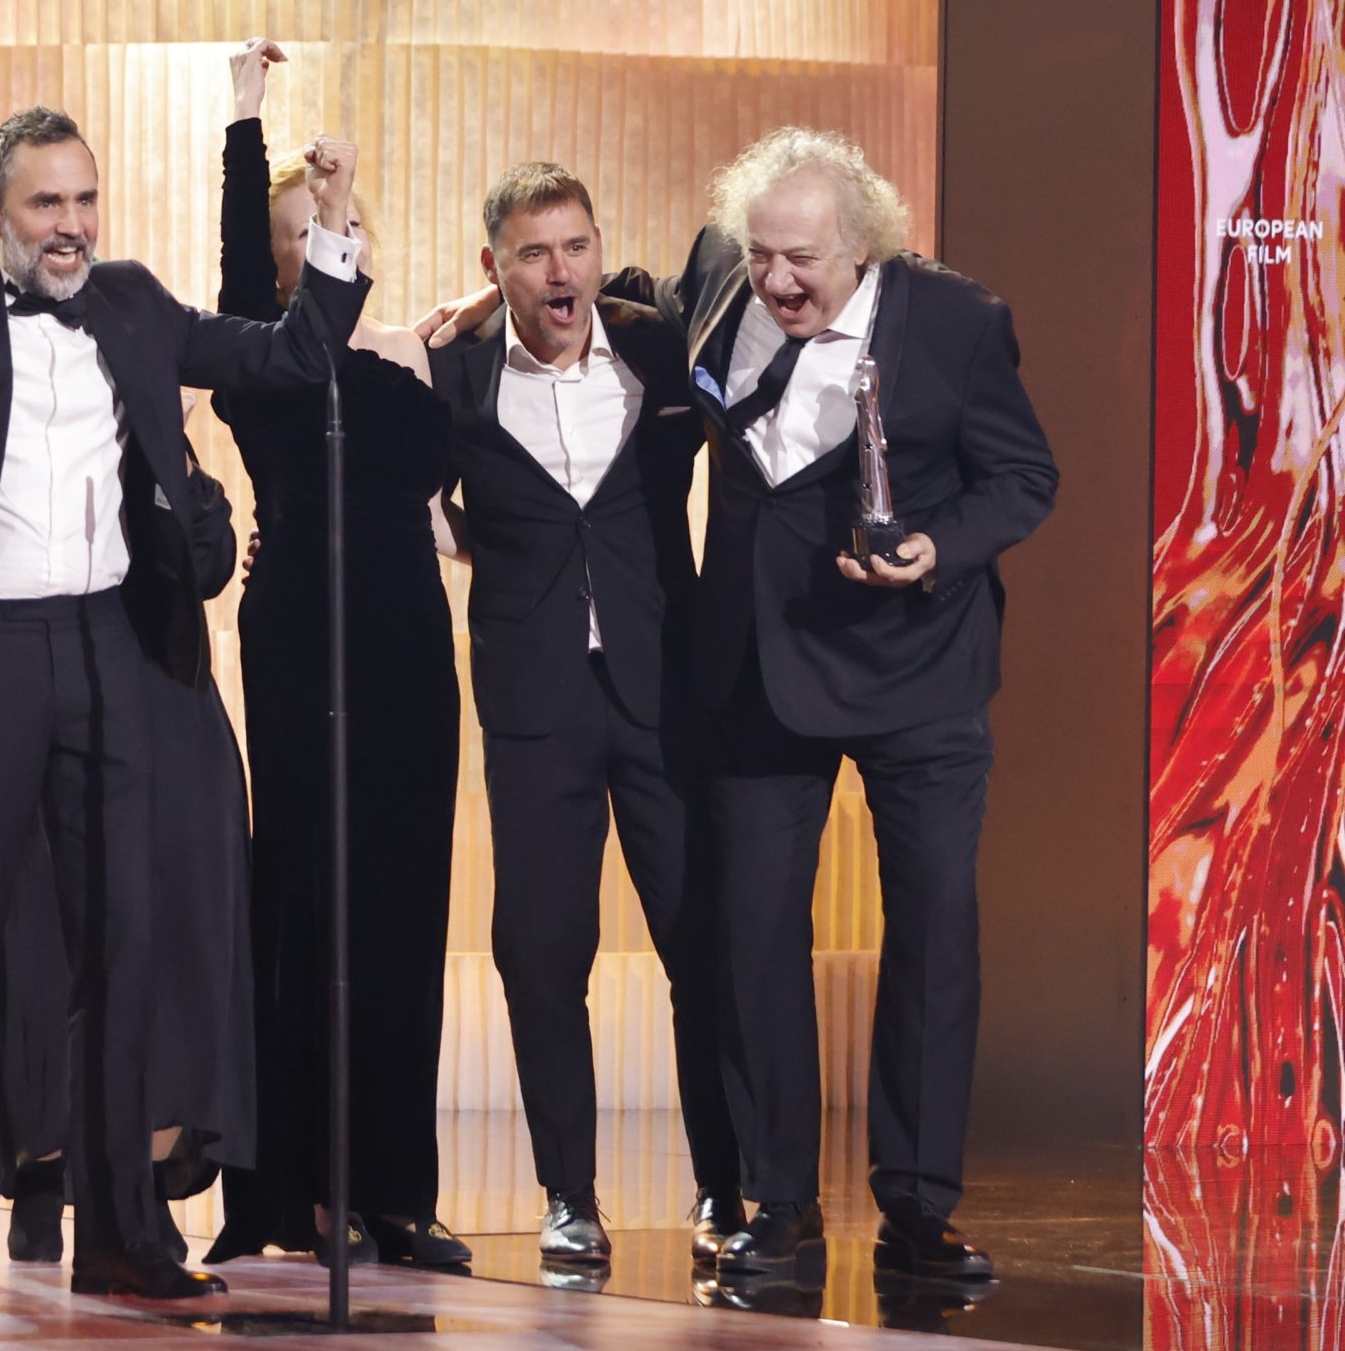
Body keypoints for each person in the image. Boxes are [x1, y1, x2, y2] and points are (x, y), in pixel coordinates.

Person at [426, 126, 1057, 1286]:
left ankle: (917, 1210)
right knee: (752, 935)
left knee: (931, 933)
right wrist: (494, 297)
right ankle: (776, 1204)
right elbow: (621, 292)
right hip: (756, 670)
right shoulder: (719, 277)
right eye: (761, 255)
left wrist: (938, 547)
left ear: (862, 246)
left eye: (801, 260)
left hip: (917, 671)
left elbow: (1023, 475)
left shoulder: (957, 322)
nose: (776, 280)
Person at [0, 104, 370, 1299]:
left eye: (84, 200)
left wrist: (338, 220)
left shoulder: (134, 301)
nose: (70, 224)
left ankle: (121, 1236)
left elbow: (295, 354)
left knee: (124, 938)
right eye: (46, 202)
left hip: (111, 645)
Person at [425, 161, 742, 1273]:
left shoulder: (659, 349)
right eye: (532, 253)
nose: (559, 273)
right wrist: (481, 547)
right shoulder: (454, 374)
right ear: (494, 266)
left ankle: (727, 1187)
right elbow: (405, 482)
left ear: (599, 251)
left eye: (575, 246)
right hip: (534, 704)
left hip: (664, 698)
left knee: (702, 943)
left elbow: (719, 265)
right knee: (541, 953)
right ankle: (570, 1194)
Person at [199, 41, 464, 1272]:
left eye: (331, 227)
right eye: (295, 235)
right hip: (303, 633)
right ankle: (291, 1191)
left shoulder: (406, 363)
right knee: (304, 898)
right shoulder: (261, 359)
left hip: (408, 640)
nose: (314, 244)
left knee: (405, 906)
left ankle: (394, 1191)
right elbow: (240, 270)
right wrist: (245, 118)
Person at [0, 426, 255, 1266]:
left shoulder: (169, 455)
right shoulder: (40, 429)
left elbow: (207, 563)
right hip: (58, 697)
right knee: (48, 942)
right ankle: (41, 1167)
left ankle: (140, 1182)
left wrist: (170, 460)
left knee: (178, 949)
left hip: (172, 716)